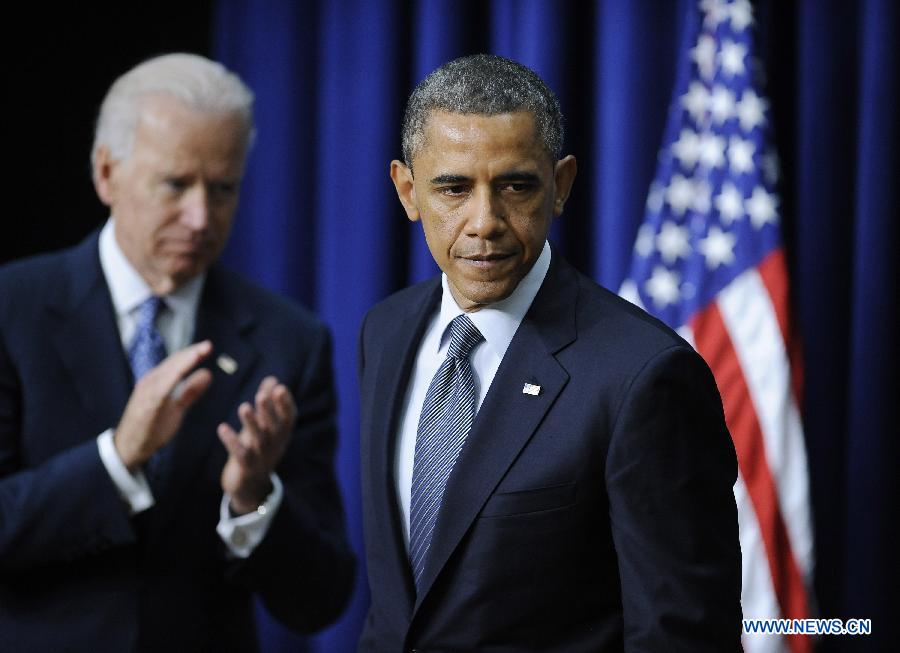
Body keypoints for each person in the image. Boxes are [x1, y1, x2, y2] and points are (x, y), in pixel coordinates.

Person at [357, 54, 742, 651]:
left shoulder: (643, 377)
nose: (484, 222)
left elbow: (681, 634)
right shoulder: (384, 332)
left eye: (515, 186)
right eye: (453, 188)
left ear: (560, 185)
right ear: (407, 191)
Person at [0, 53, 354, 651]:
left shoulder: (289, 340)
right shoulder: (12, 308)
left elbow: (321, 599)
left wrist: (253, 500)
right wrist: (119, 456)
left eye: (223, 190)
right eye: (175, 185)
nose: (200, 218)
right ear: (106, 173)